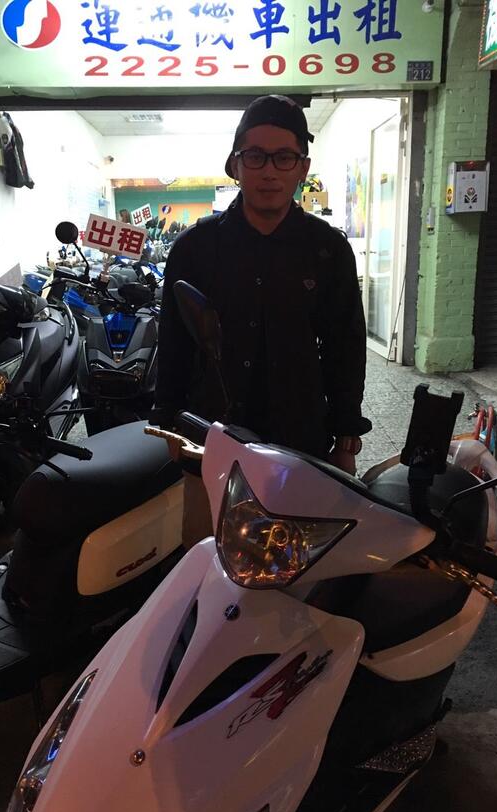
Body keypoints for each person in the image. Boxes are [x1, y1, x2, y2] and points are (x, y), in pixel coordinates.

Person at [153, 94, 371, 547]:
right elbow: (173, 343)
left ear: (302, 167)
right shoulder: (194, 248)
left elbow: (344, 347)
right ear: (235, 164)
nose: (269, 171)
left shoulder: (327, 250)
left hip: (300, 438)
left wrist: (346, 437)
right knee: (206, 558)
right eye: (255, 156)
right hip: (211, 436)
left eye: (284, 157)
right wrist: (168, 424)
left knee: (295, 563)